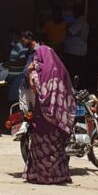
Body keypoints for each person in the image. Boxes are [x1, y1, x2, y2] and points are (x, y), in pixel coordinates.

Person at [20, 30, 76, 185]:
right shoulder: (58, 72)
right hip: (57, 118)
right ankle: (59, 175)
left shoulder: (40, 72)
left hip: (43, 117)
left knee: (41, 145)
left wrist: (31, 73)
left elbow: (35, 87)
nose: (36, 62)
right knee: (56, 147)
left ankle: (42, 176)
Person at [63, 6, 89, 86]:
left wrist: (67, 26)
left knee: (72, 71)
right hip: (80, 51)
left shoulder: (79, 22)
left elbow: (70, 32)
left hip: (75, 51)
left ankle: (72, 86)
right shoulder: (84, 22)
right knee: (77, 70)